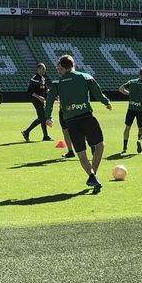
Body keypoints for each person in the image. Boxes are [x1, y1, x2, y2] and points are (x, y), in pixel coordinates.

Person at [45, 54, 111, 194]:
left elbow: (49, 101)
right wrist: (106, 102)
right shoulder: (85, 77)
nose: (58, 71)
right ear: (73, 65)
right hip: (87, 117)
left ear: (62, 67)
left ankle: (92, 177)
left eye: (59, 69)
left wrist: (48, 117)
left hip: (71, 122)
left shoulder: (57, 83)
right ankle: (94, 176)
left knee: (81, 154)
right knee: (100, 146)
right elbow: (97, 93)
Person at [118, 67, 142, 153]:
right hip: (140, 110)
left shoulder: (132, 82)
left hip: (131, 109)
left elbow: (121, 89)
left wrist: (129, 94)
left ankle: (125, 147)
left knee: (127, 128)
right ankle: (139, 140)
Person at [21, 63, 51, 142]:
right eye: (42, 69)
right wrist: (39, 97)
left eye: (44, 69)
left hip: (40, 100)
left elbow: (45, 89)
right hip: (35, 99)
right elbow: (30, 91)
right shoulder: (35, 78)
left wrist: (52, 94)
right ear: (38, 69)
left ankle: (45, 136)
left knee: (42, 118)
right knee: (42, 117)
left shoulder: (43, 78)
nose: (43, 70)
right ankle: (26, 132)